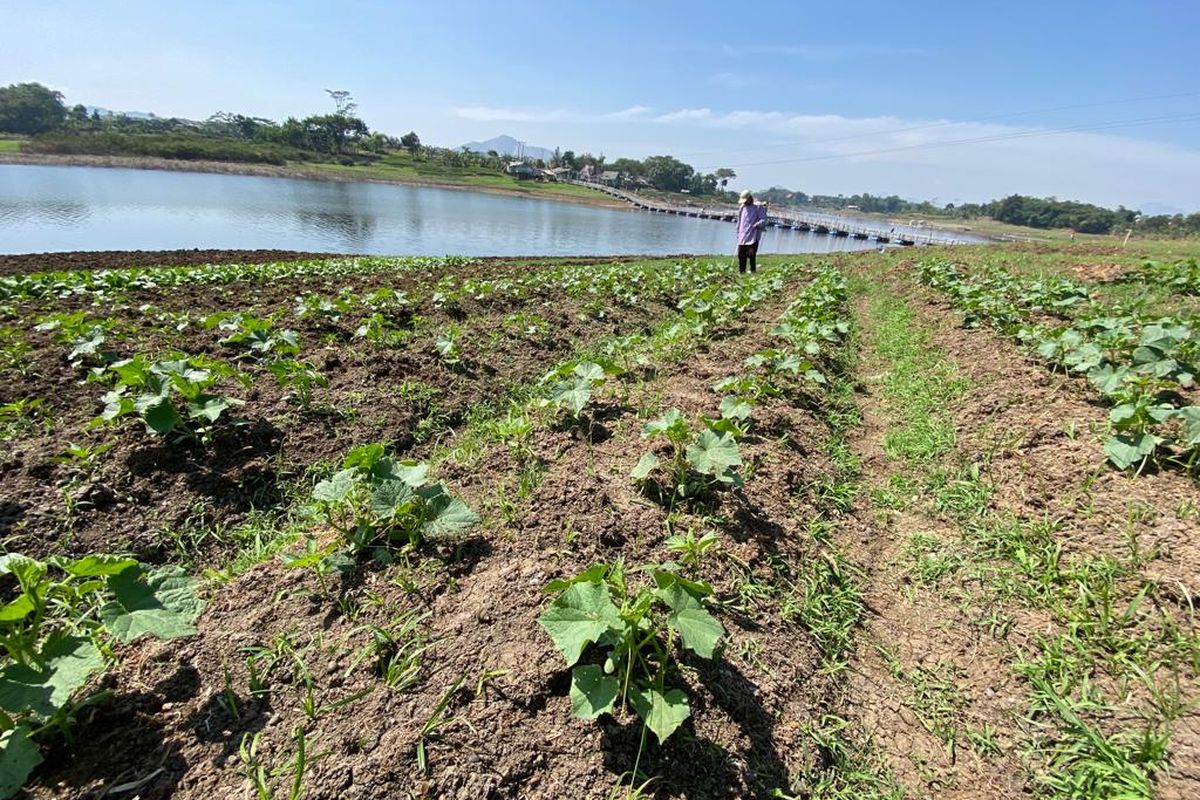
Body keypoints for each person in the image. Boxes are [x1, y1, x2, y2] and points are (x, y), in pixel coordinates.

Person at [735, 190, 768, 273]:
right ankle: (741, 271)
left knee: (751, 254)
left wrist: (759, 223)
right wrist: (738, 232)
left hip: (753, 235)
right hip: (742, 235)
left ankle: (753, 270)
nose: (745, 202)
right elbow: (739, 221)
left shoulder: (758, 207)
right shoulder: (742, 208)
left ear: (750, 198)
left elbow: (763, 219)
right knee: (741, 255)